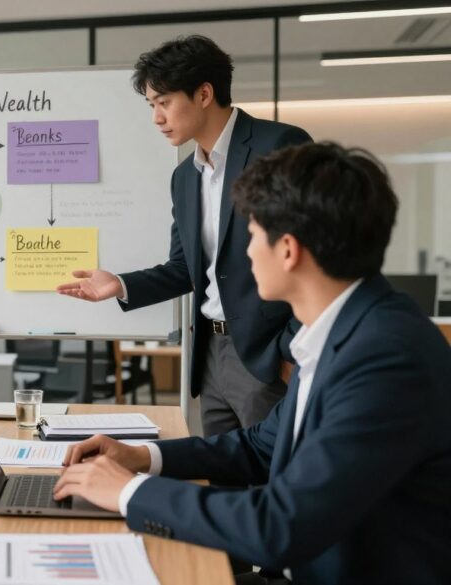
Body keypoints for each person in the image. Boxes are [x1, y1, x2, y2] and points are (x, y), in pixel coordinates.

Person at [53, 142, 451, 583]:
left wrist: (128, 492)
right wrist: (143, 457)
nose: (245, 253)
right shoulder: (344, 328)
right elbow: (263, 444)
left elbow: (280, 526)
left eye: (252, 234)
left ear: (288, 250)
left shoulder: (386, 358)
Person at [58, 35, 312, 437]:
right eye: (151, 106)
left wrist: (292, 352)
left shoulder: (277, 146)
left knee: (270, 485)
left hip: (266, 356)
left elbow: (309, 256)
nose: (157, 117)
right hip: (209, 355)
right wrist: (120, 285)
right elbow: (185, 269)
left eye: (164, 102)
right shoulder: (184, 177)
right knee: (221, 477)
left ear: (205, 93)